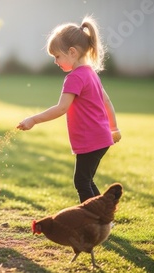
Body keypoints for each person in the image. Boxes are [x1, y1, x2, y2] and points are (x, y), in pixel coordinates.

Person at [17, 15, 121, 203]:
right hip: (101, 138)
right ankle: (103, 216)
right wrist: (114, 128)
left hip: (91, 140)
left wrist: (33, 119)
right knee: (85, 180)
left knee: (82, 181)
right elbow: (107, 102)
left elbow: (61, 108)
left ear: (72, 52)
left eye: (57, 56)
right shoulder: (91, 73)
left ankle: (95, 221)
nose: (55, 61)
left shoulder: (75, 77)